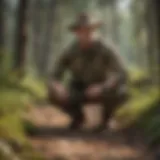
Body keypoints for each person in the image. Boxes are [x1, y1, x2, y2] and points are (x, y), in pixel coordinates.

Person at [48, 13, 129, 131]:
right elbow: (54, 75)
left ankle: (106, 119)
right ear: (76, 33)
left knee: (121, 92)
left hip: (102, 88)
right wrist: (57, 86)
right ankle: (77, 117)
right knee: (53, 93)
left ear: (94, 31)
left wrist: (102, 87)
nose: (86, 34)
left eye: (89, 30)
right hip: (79, 89)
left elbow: (121, 73)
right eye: (81, 31)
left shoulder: (105, 48)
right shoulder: (71, 51)